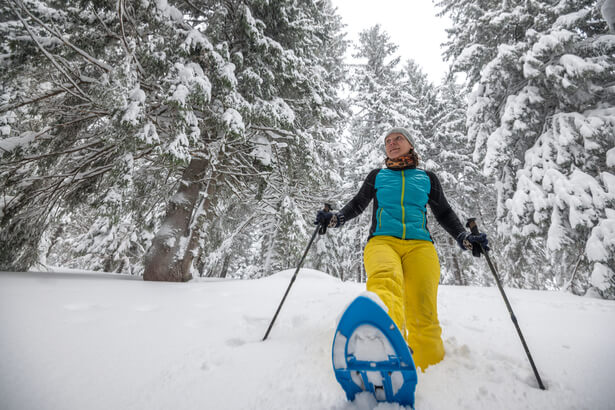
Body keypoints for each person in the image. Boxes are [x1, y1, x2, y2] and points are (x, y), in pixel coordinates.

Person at [316, 127, 489, 371]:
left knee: (422, 305)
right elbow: (357, 204)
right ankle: (384, 346)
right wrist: (336, 218)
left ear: (411, 144)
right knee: (386, 281)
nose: (392, 143)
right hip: (382, 241)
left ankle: (430, 369)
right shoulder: (377, 176)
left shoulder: (427, 178)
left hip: (420, 246)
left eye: (398, 138)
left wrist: (463, 236)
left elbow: (444, 212)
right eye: (387, 141)